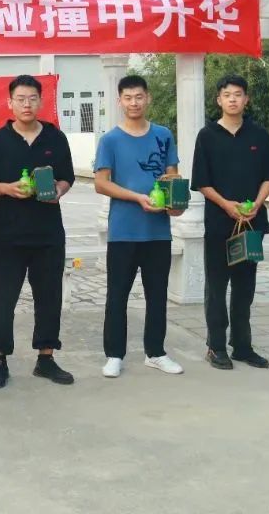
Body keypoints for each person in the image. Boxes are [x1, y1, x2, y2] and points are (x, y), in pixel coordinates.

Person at [0, 74, 75, 388]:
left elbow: (68, 177)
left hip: (48, 233)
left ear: (41, 101)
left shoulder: (55, 138)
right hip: (9, 234)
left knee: (49, 297)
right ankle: (0, 359)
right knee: (3, 299)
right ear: (10, 103)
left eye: (32, 98)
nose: (27, 104)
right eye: (20, 99)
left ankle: (46, 358)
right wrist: (7, 189)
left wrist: (58, 191)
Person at [94, 75, 185, 379]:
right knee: (117, 296)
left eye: (139, 97)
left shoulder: (163, 135)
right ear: (120, 101)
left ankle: (155, 352)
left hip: (158, 232)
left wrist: (175, 204)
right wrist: (136, 197)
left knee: (157, 295)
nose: (134, 103)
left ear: (148, 98)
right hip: (123, 231)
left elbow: (172, 177)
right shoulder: (110, 140)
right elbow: (101, 183)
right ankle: (114, 355)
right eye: (128, 98)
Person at [192, 75, 269, 370]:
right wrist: (226, 205)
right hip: (220, 223)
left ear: (246, 99)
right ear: (219, 100)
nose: (233, 99)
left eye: (238, 94)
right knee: (217, 286)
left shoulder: (258, 135)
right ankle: (216, 346)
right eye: (227, 94)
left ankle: (242, 346)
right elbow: (202, 182)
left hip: (252, 224)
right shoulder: (207, 136)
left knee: (245, 287)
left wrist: (256, 204)